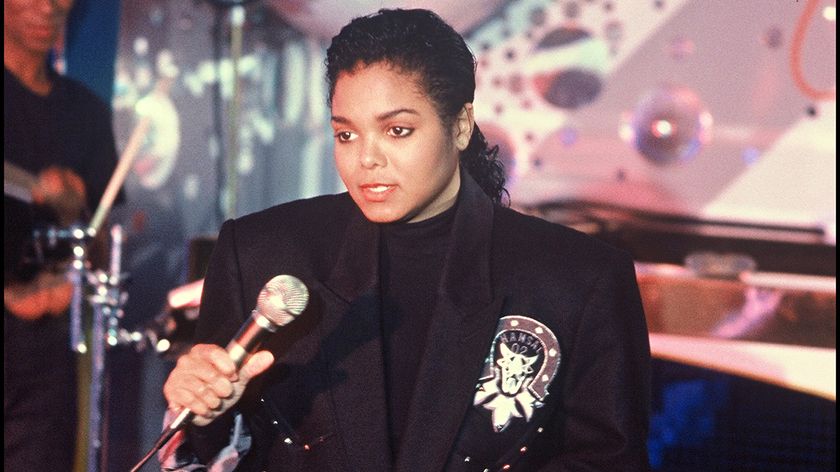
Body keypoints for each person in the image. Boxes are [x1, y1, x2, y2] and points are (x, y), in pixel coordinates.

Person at [160, 8, 651, 471]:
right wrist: (202, 414)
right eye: (346, 135)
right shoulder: (261, 252)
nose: (366, 160)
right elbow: (214, 449)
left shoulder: (579, 278)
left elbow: (608, 460)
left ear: (460, 127)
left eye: (397, 130)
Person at [4, 0, 122, 469]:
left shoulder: (86, 111)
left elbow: (101, 245)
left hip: (50, 349)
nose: (48, 7)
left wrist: (76, 207)